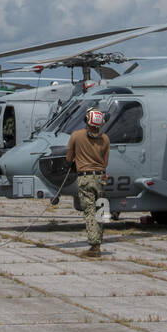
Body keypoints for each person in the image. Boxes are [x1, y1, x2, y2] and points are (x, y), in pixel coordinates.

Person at [66, 107, 110, 257]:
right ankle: (99, 240)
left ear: (86, 121)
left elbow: (68, 158)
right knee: (101, 211)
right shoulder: (105, 139)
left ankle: (94, 246)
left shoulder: (76, 136)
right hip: (101, 178)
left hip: (85, 178)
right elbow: (105, 163)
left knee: (90, 211)